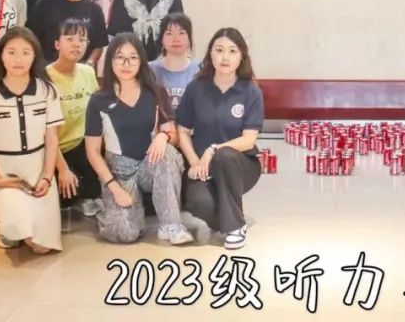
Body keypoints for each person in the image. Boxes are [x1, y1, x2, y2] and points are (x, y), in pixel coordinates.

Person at [83, 33, 192, 245]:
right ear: (110, 61)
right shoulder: (98, 100)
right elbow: (92, 152)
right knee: (123, 234)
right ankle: (109, 209)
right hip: (119, 173)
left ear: (141, 61)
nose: (126, 64)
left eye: (133, 57)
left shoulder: (156, 93)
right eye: (119, 57)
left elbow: (173, 135)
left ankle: (171, 225)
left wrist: (162, 136)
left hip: (149, 165)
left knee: (168, 154)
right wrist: (114, 187)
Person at [0, 27, 63, 253]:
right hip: (5, 172)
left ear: (35, 56)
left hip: (37, 171)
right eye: (11, 52)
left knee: (41, 248)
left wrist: (47, 177)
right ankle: (6, 224)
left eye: (25, 52)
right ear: (1, 56)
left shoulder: (48, 90)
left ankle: (18, 225)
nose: (18, 59)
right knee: (18, 228)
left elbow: (52, 140)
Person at [178, 28, 264, 250]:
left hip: (240, 165)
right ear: (210, 54)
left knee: (224, 155)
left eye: (232, 51)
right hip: (203, 166)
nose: (225, 57)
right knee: (197, 202)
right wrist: (194, 162)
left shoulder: (250, 92)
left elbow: (248, 140)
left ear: (241, 56)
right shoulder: (196, 88)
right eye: (219, 50)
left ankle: (235, 227)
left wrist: (214, 149)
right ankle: (232, 218)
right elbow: (183, 131)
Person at [45, 18, 103, 218]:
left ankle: (89, 191)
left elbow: (97, 113)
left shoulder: (88, 72)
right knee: (66, 198)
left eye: (82, 39)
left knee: (93, 189)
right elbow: (45, 132)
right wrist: (62, 169)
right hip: (55, 148)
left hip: (83, 144)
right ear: (57, 44)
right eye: (69, 39)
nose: (76, 44)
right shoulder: (45, 77)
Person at [150, 13, 200, 113]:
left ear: (189, 38)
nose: (176, 39)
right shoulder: (149, 70)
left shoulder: (200, 69)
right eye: (169, 33)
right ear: (162, 39)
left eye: (181, 33)